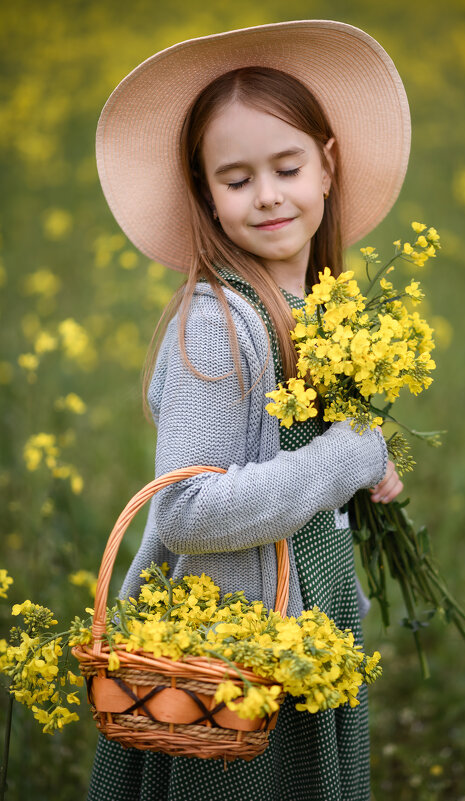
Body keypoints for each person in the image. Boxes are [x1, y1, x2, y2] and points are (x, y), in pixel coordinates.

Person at [88, 20, 409, 801]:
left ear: (327, 166)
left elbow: (307, 455)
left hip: (303, 631)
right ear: (204, 192)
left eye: (287, 166)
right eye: (235, 179)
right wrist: (348, 456)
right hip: (233, 660)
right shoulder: (218, 320)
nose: (267, 194)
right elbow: (186, 513)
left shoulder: (317, 308)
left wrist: (363, 463)